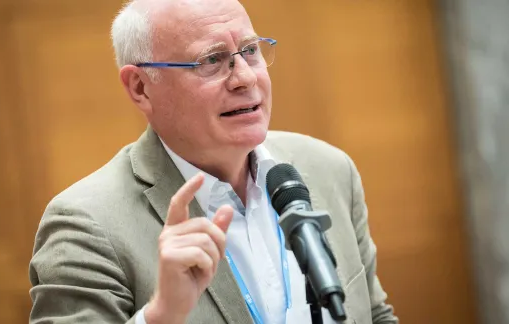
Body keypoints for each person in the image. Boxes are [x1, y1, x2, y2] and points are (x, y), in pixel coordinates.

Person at [28, 0, 398, 323]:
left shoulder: (329, 169)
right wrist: (160, 317)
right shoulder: (85, 226)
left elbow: (374, 315)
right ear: (141, 87)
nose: (245, 78)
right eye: (211, 60)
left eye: (250, 50)